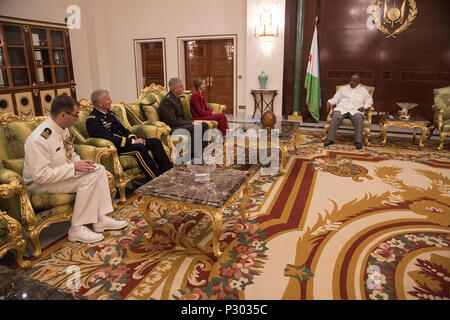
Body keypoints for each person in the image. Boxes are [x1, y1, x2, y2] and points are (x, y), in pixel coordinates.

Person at [23, 94, 128, 244]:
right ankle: (77, 229)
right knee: (89, 178)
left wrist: (81, 164)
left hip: (61, 173)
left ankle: (100, 219)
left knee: (98, 170)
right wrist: (73, 168)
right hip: (40, 184)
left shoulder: (63, 128)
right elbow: (40, 176)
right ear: (63, 114)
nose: (78, 118)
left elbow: (70, 153)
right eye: (76, 114)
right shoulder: (39, 139)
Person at [86, 89, 173, 180]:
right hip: (116, 147)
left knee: (155, 142)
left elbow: (123, 129)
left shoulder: (110, 113)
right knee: (140, 148)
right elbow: (109, 138)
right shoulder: (93, 120)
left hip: (126, 142)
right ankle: (156, 179)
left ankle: (168, 173)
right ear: (100, 103)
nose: (111, 101)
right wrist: (133, 142)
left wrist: (134, 138)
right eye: (108, 99)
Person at [158, 77, 209, 159]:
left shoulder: (176, 97)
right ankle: (193, 155)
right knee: (196, 127)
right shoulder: (167, 101)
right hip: (172, 127)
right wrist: (190, 123)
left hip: (179, 123)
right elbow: (172, 121)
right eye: (181, 86)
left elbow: (181, 117)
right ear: (174, 88)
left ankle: (203, 150)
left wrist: (190, 121)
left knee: (204, 125)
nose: (183, 88)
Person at [323, 73, 373, 149]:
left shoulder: (363, 91)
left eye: (354, 81)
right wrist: (330, 102)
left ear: (359, 81)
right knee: (335, 116)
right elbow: (336, 98)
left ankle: (358, 141)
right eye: (351, 80)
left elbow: (369, 100)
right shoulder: (343, 89)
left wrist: (365, 107)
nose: (351, 82)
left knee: (359, 119)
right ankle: (330, 139)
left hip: (356, 110)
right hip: (342, 108)